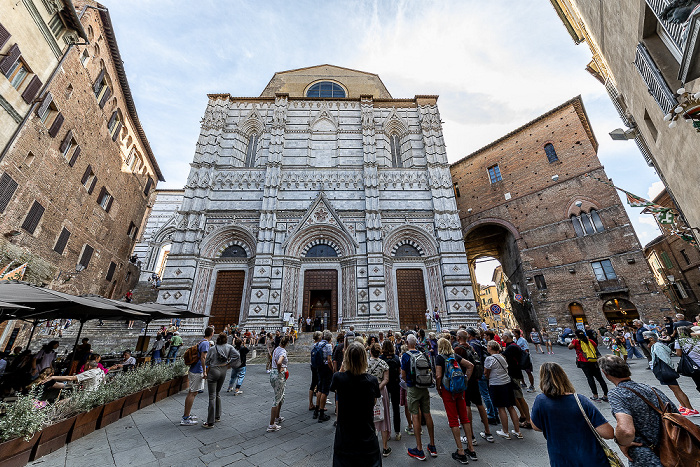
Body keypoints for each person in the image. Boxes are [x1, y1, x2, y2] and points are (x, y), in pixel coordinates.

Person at [600, 354, 680, 466]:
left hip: (645, 455)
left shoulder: (616, 394)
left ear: (605, 374)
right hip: (671, 450)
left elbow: (626, 430)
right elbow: (676, 415)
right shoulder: (650, 388)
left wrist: (621, 442)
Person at [530, 362, 615, 467]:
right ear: (564, 377)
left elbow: (535, 426)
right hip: (592, 459)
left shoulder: (540, 401)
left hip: (561, 460)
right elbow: (608, 433)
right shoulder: (580, 400)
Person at [330, 342, 381, 467]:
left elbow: (335, 388)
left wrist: (343, 367)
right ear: (364, 359)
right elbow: (373, 402)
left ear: (346, 359)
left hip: (345, 437)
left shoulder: (338, 378)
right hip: (367, 435)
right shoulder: (372, 381)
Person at [435, 337, 477, 464]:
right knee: (464, 418)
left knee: (453, 419)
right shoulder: (455, 356)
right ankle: (471, 449)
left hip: (448, 391)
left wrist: (438, 388)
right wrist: (465, 381)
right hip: (460, 390)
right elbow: (470, 365)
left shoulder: (440, 358)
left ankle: (460, 451)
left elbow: (438, 375)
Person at [401, 334, 437, 460]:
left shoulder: (405, 356)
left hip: (413, 388)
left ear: (406, 343)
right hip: (424, 387)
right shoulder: (422, 354)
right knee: (427, 414)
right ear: (416, 343)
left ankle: (419, 449)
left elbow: (403, 375)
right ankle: (432, 446)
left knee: (415, 415)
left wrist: (408, 383)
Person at [455, 330, 494, 443]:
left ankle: (470, 436)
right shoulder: (471, 347)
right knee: (479, 404)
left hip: (465, 380)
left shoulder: (458, 349)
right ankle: (488, 432)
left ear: (458, 338)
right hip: (474, 380)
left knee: (466, 406)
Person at [645, 331, 696, 415]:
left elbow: (666, 359)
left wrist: (670, 369)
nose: (644, 339)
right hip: (665, 371)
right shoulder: (656, 346)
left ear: (651, 338)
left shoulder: (658, 346)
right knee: (674, 390)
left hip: (666, 371)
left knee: (677, 389)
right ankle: (684, 407)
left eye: (645, 337)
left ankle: (690, 408)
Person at [483, 340, 522, 440]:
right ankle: (518, 431)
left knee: (501, 408)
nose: (487, 348)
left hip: (496, 384)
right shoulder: (502, 357)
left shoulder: (489, 359)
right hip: (507, 383)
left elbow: (486, 373)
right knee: (511, 407)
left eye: (488, 346)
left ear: (490, 348)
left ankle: (505, 431)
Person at [203, 333, 240, 428]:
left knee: (212, 396)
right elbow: (237, 355)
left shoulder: (212, 348)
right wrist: (229, 363)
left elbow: (207, 362)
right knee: (218, 393)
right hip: (223, 370)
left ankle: (210, 422)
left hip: (214, 370)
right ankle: (217, 416)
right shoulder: (229, 347)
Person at [181, 327, 212, 426]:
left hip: (194, 369)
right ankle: (185, 418)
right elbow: (203, 357)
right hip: (197, 371)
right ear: (211, 333)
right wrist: (204, 371)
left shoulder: (201, 341)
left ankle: (187, 415)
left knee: (193, 392)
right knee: (192, 393)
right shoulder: (206, 343)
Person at [501, 332, 533, 428]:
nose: (502, 338)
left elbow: (502, 356)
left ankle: (528, 420)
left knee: (519, 397)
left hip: (514, 374)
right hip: (514, 373)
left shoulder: (512, 347)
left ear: (506, 337)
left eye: (503, 336)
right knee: (515, 396)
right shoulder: (512, 346)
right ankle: (523, 415)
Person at [569, 329, 608, 401]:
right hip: (593, 360)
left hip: (584, 361)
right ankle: (606, 395)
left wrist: (574, 340)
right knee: (600, 378)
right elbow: (595, 347)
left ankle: (595, 395)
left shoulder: (576, 341)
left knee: (590, 378)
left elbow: (570, 347)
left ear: (576, 335)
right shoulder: (590, 341)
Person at [368, 343, 392, 457]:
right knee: (383, 417)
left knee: (368, 417)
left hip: (367, 392)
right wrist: (378, 388)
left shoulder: (365, 364)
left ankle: (370, 446)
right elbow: (386, 379)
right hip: (381, 392)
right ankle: (385, 448)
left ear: (370, 352)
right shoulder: (384, 364)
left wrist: (372, 389)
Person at [379, 339, 402, 441]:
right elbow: (400, 371)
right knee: (396, 409)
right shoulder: (396, 358)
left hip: (385, 386)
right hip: (395, 385)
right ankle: (397, 432)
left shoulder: (381, 358)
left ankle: (386, 433)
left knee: (385, 409)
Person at [268, 336, 289, 432]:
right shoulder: (283, 351)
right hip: (278, 375)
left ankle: (277, 416)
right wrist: (280, 368)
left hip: (273, 374)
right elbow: (280, 362)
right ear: (287, 343)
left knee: (281, 396)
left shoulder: (276, 349)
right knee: (277, 399)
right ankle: (271, 424)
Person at [674, 326, 700, 397]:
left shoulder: (679, 341)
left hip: (693, 366)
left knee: (698, 382)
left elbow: (679, 354)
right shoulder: (697, 338)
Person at [315, 330, 334, 423]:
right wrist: (333, 370)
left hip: (319, 368)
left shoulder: (317, 344)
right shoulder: (328, 345)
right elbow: (329, 360)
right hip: (326, 368)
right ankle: (321, 414)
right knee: (325, 391)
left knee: (319, 388)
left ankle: (316, 410)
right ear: (330, 338)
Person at [309, 331, 322, 412]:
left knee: (313, 384)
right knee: (318, 384)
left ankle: (310, 403)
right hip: (318, 366)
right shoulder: (319, 345)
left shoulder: (312, 345)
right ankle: (319, 405)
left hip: (312, 365)